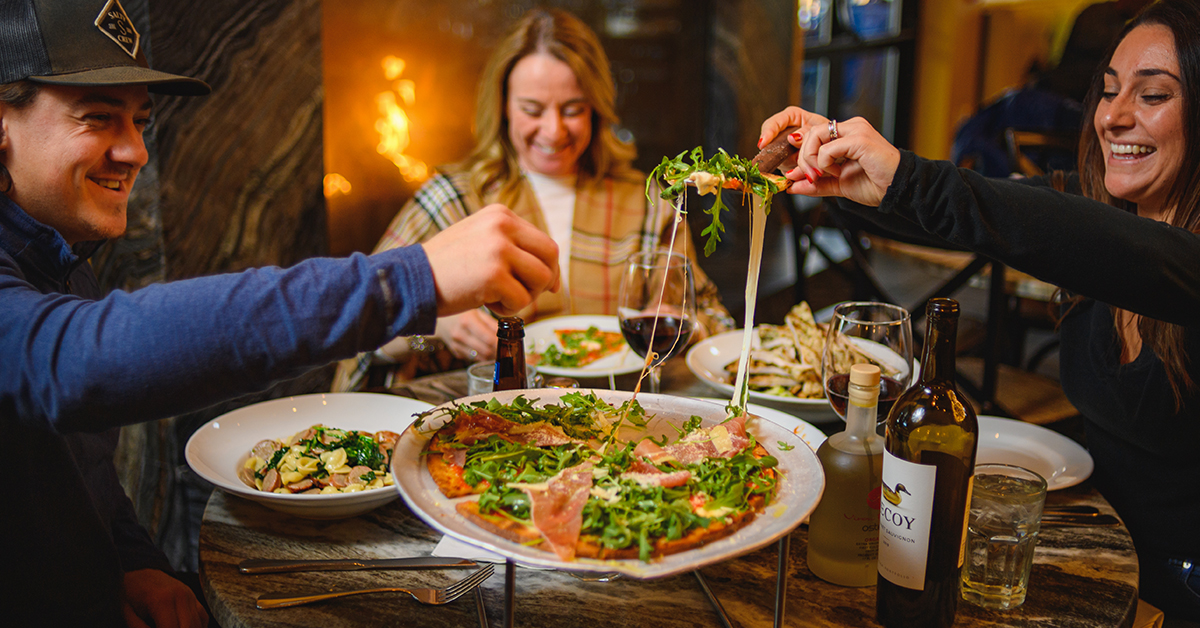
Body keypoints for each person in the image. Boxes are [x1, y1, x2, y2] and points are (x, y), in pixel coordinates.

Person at [0, 1, 559, 626]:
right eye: (98, 119)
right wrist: (413, 278)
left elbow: (77, 462)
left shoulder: (59, 253)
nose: (135, 151)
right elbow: (73, 361)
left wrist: (133, 560)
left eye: (139, 121)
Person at [760, 0, 1200, 619]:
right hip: (1071, 550)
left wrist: (907, 178)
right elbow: (980, 217)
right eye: (1105, 92)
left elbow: (1105, 249)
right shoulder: (1100, 213)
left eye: (1153, 95)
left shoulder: (1132, 249)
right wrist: (831, 163)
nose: (1114, 117)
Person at [332, 8, 731, 391]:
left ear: (596, 109)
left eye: (573, 109)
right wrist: (439, 329)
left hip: (616, 414)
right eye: (532, 109)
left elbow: (715, 322)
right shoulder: (453, 199)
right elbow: (362, 320)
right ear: (503, 107)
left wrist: (683, 324)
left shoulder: (647, 204)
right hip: (489, 418)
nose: (554, 130)